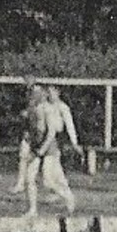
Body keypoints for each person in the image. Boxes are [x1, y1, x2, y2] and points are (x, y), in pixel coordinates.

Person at [27, 84, 80, 216]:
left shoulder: (53, 108)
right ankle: (32, 210)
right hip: (38, 146)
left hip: (50, 146)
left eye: (38, 93)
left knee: (49, 180)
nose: (35, 95)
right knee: (30, 177)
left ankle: (68, 197)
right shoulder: (33, 108)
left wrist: (74, 143)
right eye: (33, 93)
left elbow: (55, 130)